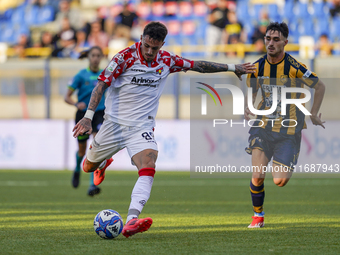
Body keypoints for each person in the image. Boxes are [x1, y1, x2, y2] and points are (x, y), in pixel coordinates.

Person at [72, 21, 255, 237]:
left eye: (155, 48)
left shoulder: (167, 60)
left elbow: (198, 65)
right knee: (88, 167)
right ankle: (102, 163)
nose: (150, 52)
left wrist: (233, 68)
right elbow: (101, 85)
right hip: (114, 124)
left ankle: (132, 219)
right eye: (147, 46)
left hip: (141, 126)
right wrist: (88, 117)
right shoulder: (124, 57)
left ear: (162, 44)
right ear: (141, 38)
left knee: (149, 162)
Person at [244, 22, 326, 228]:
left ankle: (282, 157)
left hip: (289, 129)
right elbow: (253, 90)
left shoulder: (296, 67)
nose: (271, 43)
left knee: (279, 180)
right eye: (268, 39)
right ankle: (258, 216)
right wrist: (249, 107)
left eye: (276, 40)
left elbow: (320, 85)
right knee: (257, 174)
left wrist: (313, 113)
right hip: (263, 125)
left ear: (285, 43)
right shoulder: (257, 67)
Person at [65, 46, 106, 196]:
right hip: (83, 115)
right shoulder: (81, 75)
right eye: (93, 55)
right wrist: (76, 103)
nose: (95, 58)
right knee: (82, 151)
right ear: (89, 57)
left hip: (100, 114)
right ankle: (77, 169)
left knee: (95, 147)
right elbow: (66, 96)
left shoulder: (105, 74)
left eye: (98, 55)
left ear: (101, 57)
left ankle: (91, 185)